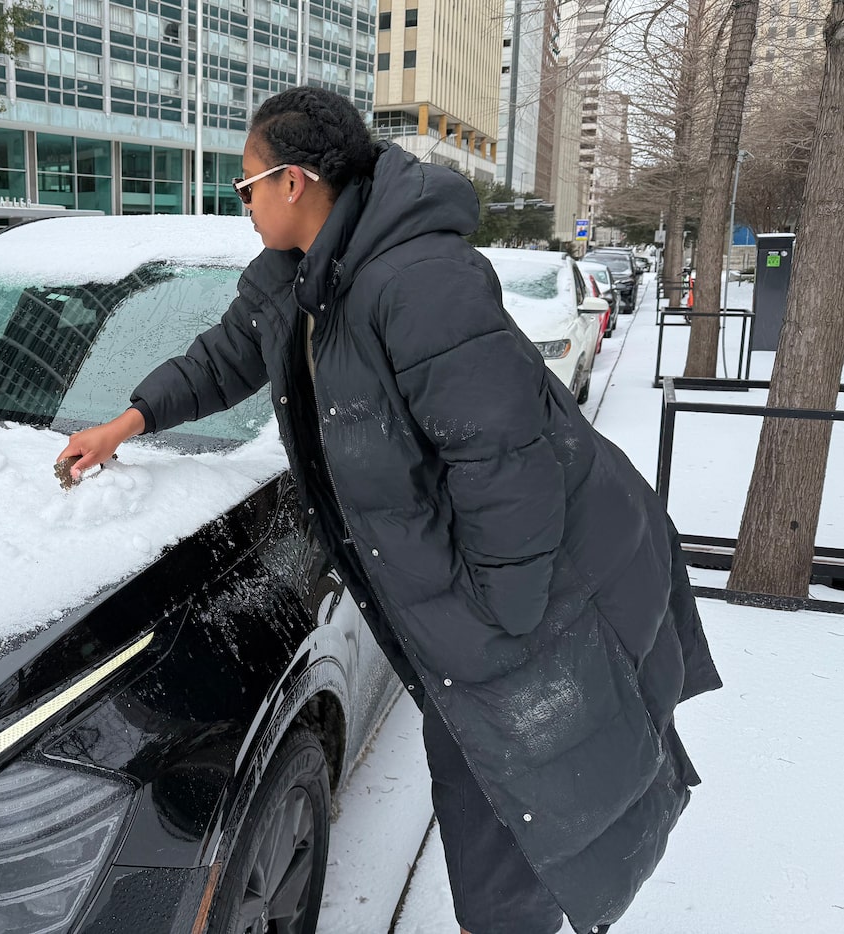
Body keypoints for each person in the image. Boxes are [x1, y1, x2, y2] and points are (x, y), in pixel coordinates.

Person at [55, 86, 721, 934]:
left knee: (521, 798)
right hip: (481, 596)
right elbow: (226, 355)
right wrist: (129, 419)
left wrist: (497, 625)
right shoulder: (304, 272)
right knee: (506, 791)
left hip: (542, 584)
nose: (245, 203)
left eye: (246, 185)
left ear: (294, 182)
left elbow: (502, 461)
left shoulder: (418, 281)